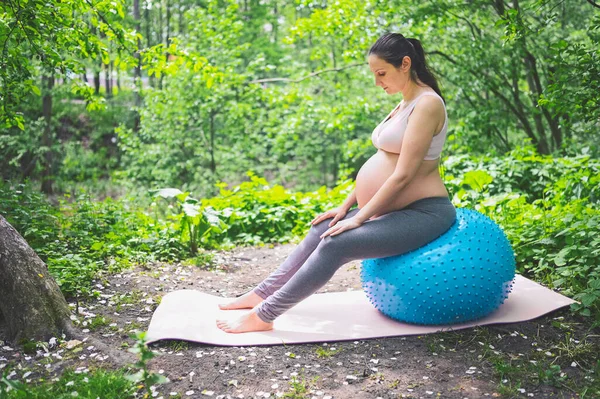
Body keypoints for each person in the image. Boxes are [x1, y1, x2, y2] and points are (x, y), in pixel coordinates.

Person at [216, 33, 456, 334]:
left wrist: (361, 218)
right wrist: (345, 208)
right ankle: (260, 294)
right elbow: (383, 161)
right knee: (322, 228)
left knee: (336, 243)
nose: (377, 82)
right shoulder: (404, 104)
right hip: (393, 209)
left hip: (424, 213)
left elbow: (403, 174)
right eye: (374, 74)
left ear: (405, 64)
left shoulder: (427, 104)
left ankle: (264, 315)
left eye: (382, 73)